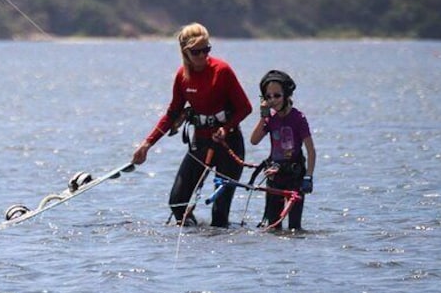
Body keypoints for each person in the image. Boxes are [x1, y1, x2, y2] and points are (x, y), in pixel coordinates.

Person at [132, 23, 252, 227]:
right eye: (196, 52)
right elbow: (172, 113)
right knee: (177, 203)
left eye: (206, 50)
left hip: (228, 143)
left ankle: (219, 253)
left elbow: (245, 108)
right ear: (185, 52)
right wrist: (147, 144)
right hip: (200, 144)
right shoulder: (182, 76)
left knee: (219, 213)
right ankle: (193, 240)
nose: (202, 56)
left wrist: (226, 128)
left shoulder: (222, 71)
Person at [250, 70, 316, 230]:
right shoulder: (270, 118)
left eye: (277, 95)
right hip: (275, 176)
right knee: (273, 226)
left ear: (286, 95)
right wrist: (263, 117)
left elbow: (311, 151)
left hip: (295, 177)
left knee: (294, 228)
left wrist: (308, 177)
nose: (272, 100)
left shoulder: (298, 118)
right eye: (268, 96)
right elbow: (254, 140)